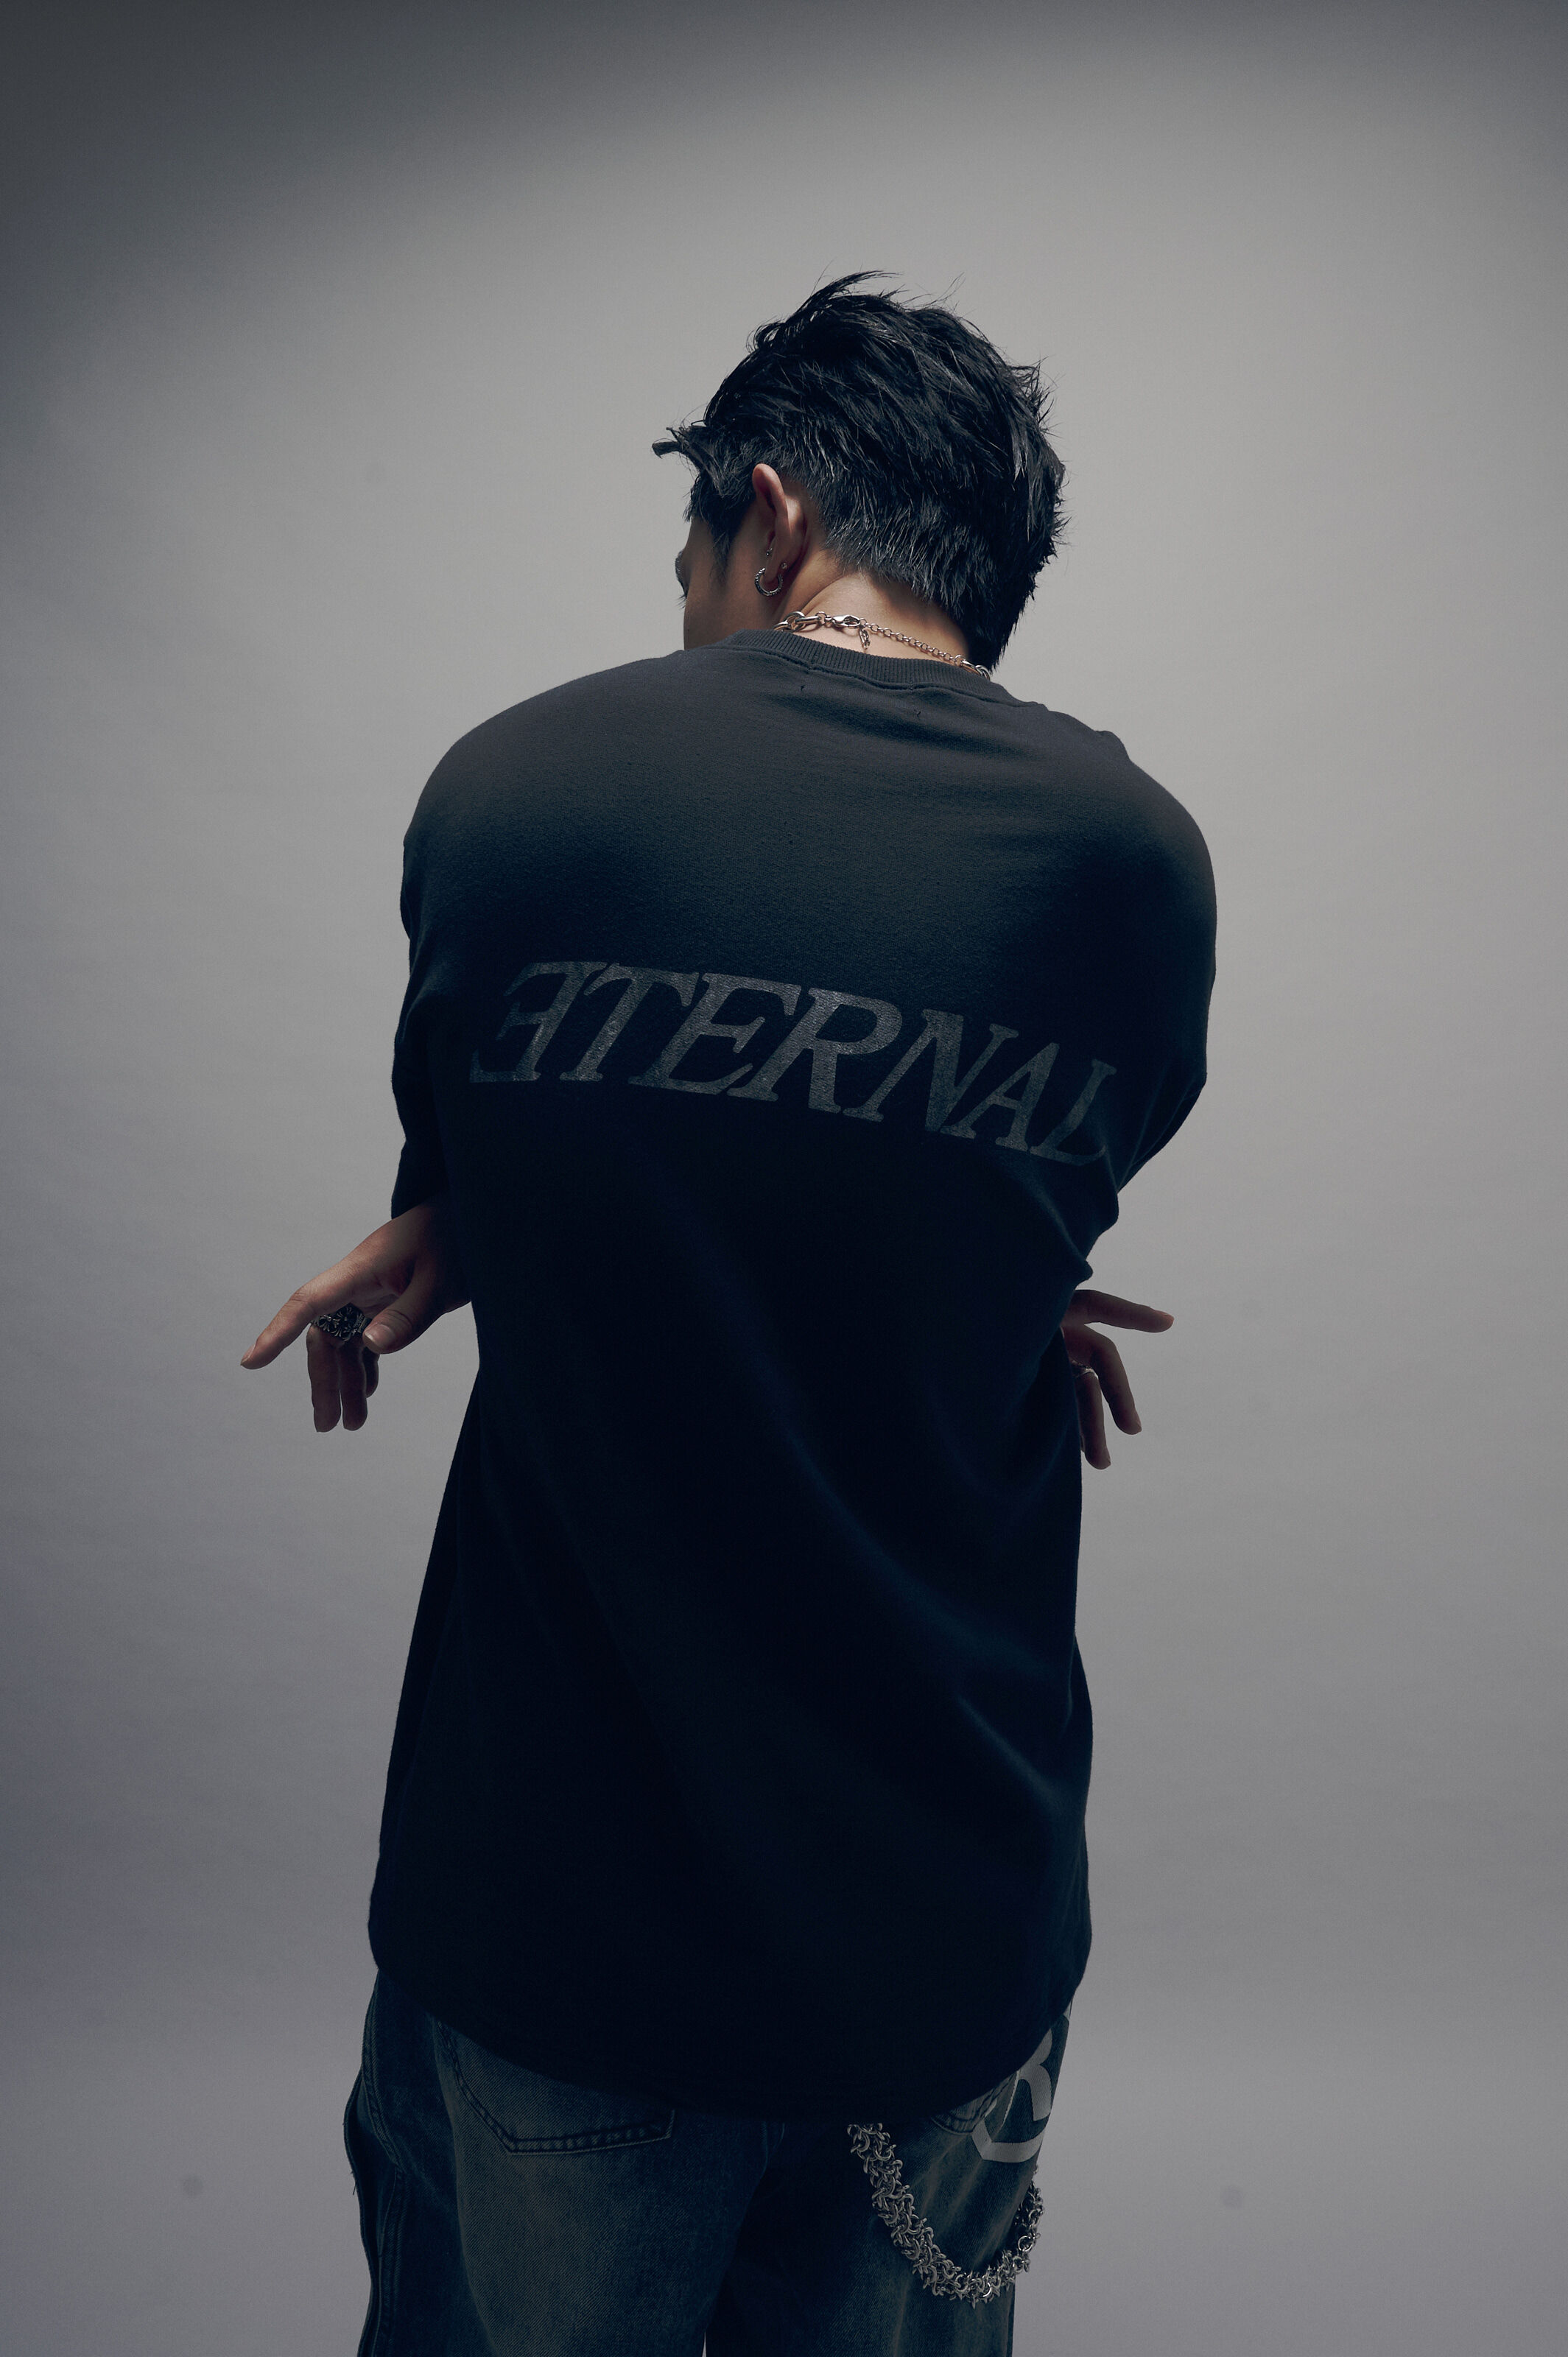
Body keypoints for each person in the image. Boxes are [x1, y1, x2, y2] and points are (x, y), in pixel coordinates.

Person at [242, 275, 1216, 2357]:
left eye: (686, 568)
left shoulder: (517, 788)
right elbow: (1009, 1188)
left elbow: (528, 1138)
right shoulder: (1135, 864)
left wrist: (468, 1215)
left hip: (560, 1920)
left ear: (766, 515)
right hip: (938, 1916)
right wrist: (982, 1280)